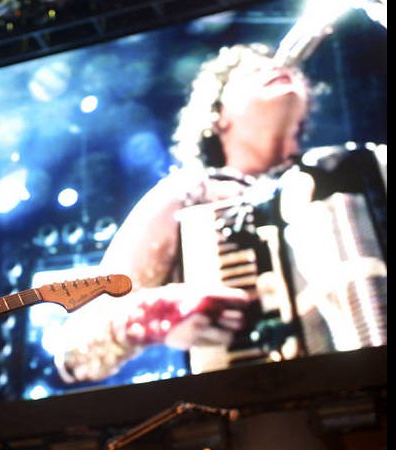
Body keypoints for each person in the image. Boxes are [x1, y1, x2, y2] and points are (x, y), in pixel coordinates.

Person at [52, 43, 312, 383]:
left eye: (287, 69)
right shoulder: (188, 194)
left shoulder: (353, 173)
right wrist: (150, 316)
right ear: (217, 114)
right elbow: (73, 353)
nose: (276, 69)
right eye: (250, 71)